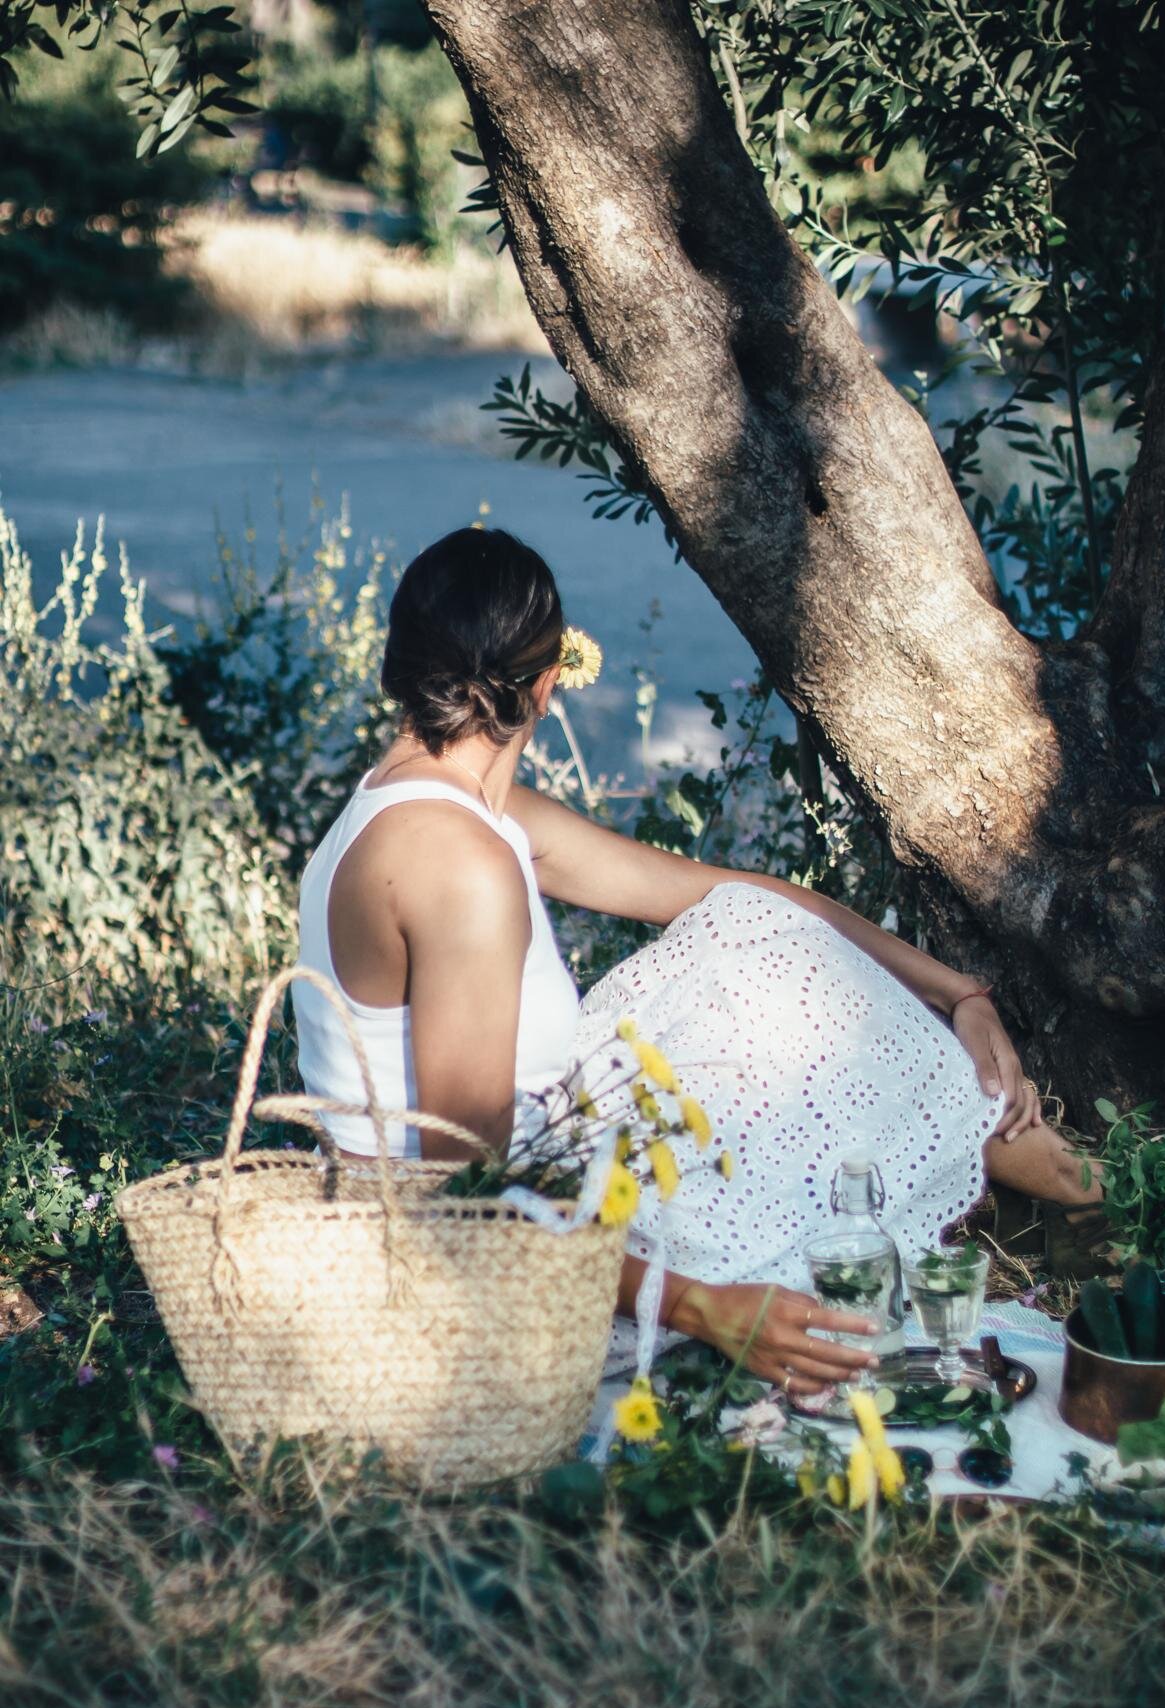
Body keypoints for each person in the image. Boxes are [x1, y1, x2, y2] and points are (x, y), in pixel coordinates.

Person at [295, 526, 1101, 1397]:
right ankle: (1067, 1186)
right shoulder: (459, 868)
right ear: (549, 683)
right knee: (780, 1062)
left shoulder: (438, 811)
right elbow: (472, 1193)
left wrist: (959, 992)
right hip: (473, 1265)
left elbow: (733, 894)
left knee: (752, 940)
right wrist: (704, 1308)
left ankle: (1019, 1171)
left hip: (532, 1172)